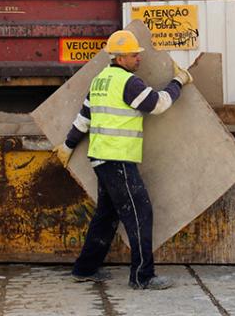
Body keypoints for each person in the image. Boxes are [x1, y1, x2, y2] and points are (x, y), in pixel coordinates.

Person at [53, 30, 193, 290]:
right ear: (119, 58)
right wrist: (179, 81)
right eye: (133, 55)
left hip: (102, 158)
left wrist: (68, 145)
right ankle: (142, 277)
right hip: (117, 160)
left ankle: (84, 269)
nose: (138, 59)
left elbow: (85, 118)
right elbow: (158, 104)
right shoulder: (128, 83)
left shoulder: (100, 81)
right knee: (140, 214)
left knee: (107, 216)